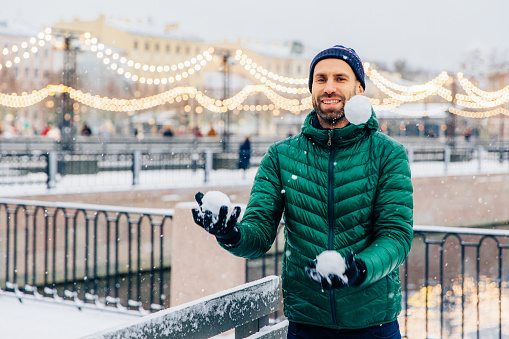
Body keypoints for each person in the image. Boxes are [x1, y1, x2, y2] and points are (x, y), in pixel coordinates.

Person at [191, 45, 413, 338]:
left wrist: (359, 268)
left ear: (359, 88)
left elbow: (395, 236)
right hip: (306, 324)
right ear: (311, 89)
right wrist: (230, 234)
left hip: (373, 325)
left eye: (340, 78)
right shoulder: (282, 156)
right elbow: (258, 235)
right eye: (321, 79)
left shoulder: (388, 154)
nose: (329, 87)